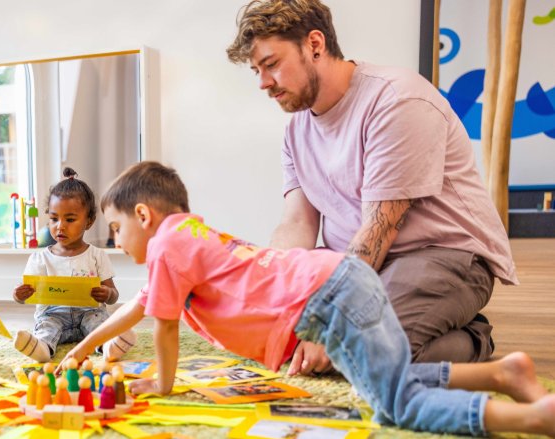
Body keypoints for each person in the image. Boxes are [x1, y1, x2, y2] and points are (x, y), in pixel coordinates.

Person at [62, 161, 555, 436]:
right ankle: (501, 373)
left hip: (326, 298)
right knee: (379, 373)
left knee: (393, 404)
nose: (117, 242)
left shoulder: (167, 246)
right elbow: (140, 307)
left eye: (116, 229)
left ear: (144, 215)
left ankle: (528, 418)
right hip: (339, 278)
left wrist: (164, 386)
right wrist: (84, 349)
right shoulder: (185, 235)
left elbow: (164, 325)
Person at [225, 0, 516, 375]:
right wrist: (269, 287)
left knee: (357, 350)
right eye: (256, 71)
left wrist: (333, 322)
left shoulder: (396, 100)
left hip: (444, 256)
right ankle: (417, 324)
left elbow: (379, 231)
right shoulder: (296, 132)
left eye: (271, 64)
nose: (264, 83)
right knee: (282, 341)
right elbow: (297, 224)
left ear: (315, 44)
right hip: (360, 265)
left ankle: (475, 337)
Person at [12, 168, 136, 362]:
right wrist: (18, 295)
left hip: (90, 313)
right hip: (53, 314)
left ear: (89, 221)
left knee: (100, 323)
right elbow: (24, 296)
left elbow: (113, 296)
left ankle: (108, 346)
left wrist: (107, 293)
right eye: (54, 218)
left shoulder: (97, 255)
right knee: (46, 326)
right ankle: (42, 348)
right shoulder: (39, 259)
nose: (60, 226)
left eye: (69, 219)